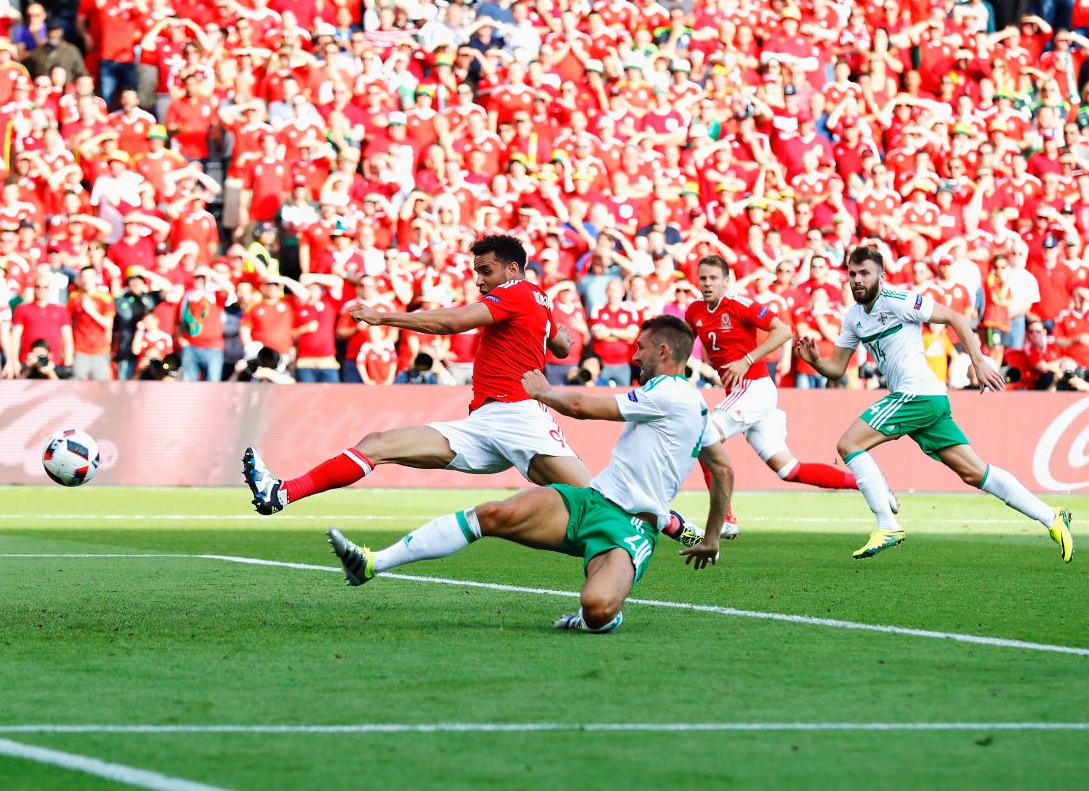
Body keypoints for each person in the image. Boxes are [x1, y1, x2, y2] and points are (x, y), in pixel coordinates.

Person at [326, 315, 734, 635]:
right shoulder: (691, 403)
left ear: (663, 351)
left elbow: (582, 407)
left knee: (596, 609)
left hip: (630, 530)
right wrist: (711, 536)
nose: (635, 356)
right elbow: (722, 468)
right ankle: (371, 563)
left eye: (641, 347)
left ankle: (602, 613)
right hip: (590, 502)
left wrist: (543, 392)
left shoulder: (669, 393)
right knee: (492, 514)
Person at [244, 235, 590, 512]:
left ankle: (614, 562)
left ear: (513, 269)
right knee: (377, 444)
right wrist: (561, 338)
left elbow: (452, 321)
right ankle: (281, 493)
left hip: (518, 416)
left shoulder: (517, 292)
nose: (480, 281)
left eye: (486, 271)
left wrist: (383, 317)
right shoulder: (539, 300)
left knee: (594, 501)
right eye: (477, 272)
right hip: (485, 423)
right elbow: (560, 345)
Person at [794, 247, 1072, 561]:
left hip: (917, 395)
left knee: (849, 445)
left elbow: (955, 317)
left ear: (881, 277)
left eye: (865, 273)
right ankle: (1052, 516)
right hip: (926, 400)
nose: (857, 279)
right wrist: (815, 361)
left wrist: (978, 362)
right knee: (976, 473)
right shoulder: (853, 318)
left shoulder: (898, 300)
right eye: (853, 274)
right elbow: (837, 368)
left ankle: (887, 524)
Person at [682, 256, 859, 540]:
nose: (707, 283)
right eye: (703, 278)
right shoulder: (694, 311)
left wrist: (747, 359)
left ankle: (726, 518)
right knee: (789, 469)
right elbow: (684, 346)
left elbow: (784, 331)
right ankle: (864, 482)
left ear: (726, 281)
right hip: (740, 395)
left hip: (754, 388)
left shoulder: (739, 304)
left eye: (714, 278)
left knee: (704, 436)